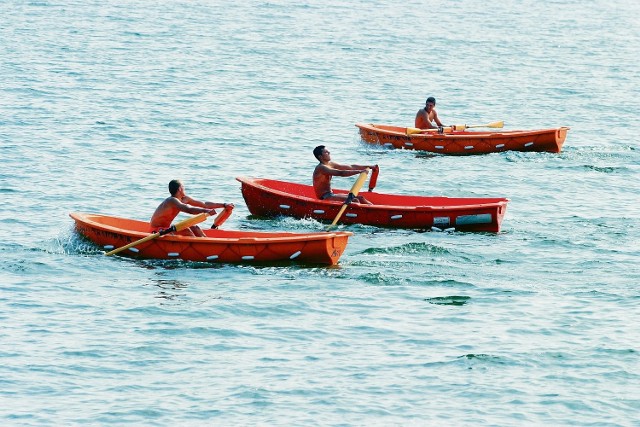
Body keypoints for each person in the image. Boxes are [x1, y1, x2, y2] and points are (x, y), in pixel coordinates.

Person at [149, 179, 234, 237]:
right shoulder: (171, 201)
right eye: (183, 187)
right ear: (180, 189)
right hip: (157, 230)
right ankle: (199, 248)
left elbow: (204, 204)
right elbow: (189, 210)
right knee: (187, 231)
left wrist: (224, 205)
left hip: (167, 228)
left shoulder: (184, 199)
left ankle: (207, 243)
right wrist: (207, 211)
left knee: (195, 228)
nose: (184, 189)